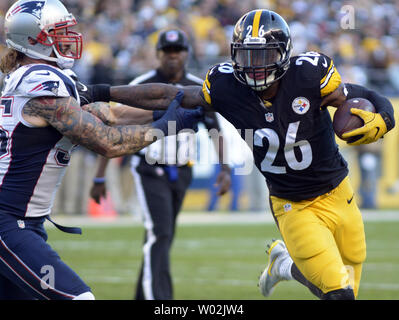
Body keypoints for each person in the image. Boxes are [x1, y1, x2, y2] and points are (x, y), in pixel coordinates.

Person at [82, 9, 395, 300]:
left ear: (284, 54)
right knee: (339, 293)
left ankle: (283, 266)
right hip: (292, 204)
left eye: (265, 55)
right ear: (234, 54)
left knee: (348, 281)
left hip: (339, 192)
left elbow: (362, 95)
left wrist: (385, 118)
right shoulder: (227, 86)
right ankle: (287, 264)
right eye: (248, 56)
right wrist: (102, 91)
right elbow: (168, 94)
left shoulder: (309, 75)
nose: (256, 66)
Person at [0, 0, 204, 300]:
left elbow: (109, 113)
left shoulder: (38, 78)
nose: (69, 38)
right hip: (8, 223)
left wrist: (170, 110)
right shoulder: (40, 83)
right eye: (58, 32)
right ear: (33, 40)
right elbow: (108, 142)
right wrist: (165, 127)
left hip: (24, 222)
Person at [89, 28, 231, 300]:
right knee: (160, 234)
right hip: (149, 168)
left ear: (187, 54)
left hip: (183, 169)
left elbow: (215, 131)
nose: (173, 57)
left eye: (178, 52)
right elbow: (112, 125)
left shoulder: (198, 87)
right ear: (158, 55)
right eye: (167, 52)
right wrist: (99, 177)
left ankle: (143, 295)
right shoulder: (142, 84)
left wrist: (224, 169)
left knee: (161, 237)